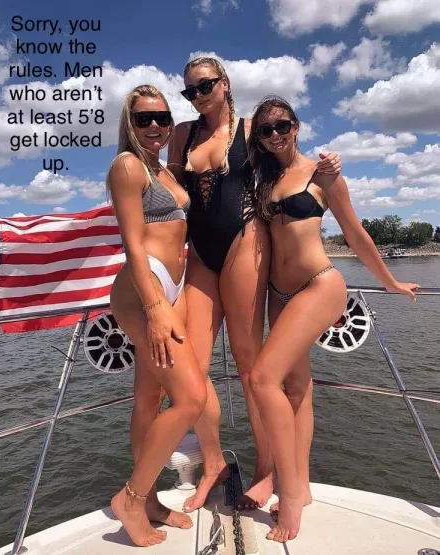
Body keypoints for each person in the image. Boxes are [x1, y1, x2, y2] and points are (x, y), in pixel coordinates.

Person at [167, 56, 342, 511]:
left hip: (244, 244)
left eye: (205, 86)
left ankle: (267, 469)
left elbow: (288, 160)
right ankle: (213, 464)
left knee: (250, 366)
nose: (197, 96)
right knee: (192, 367)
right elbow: (173, 193)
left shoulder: (250, 130)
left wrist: (329, 168)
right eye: (189, 90)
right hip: (200, 255)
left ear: (224, 83)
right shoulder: (183, 134)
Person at [246, 95, 420, 543]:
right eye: (265, 130)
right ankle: (301, 486)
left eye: (282, 125)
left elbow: (355, 233)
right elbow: (233, 129)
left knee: (262, 379)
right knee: (297, 389)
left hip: (319, 285)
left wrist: (389, 282)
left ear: (297, 126)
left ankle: (288, 495)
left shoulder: (323, 174)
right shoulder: (265, 180)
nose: (275, 135)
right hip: (278, 295)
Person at [108, 84, 207, 547]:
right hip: (143, 286)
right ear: (129, 123)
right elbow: (131, 244)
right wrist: (153, 308)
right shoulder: (128, 166)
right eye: (143, 118)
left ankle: (148, 502)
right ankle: (130, 498)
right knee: (191, 398)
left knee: (150, 399)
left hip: (173, 283)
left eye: (162, 118)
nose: (154, 126)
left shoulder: (163, 169)